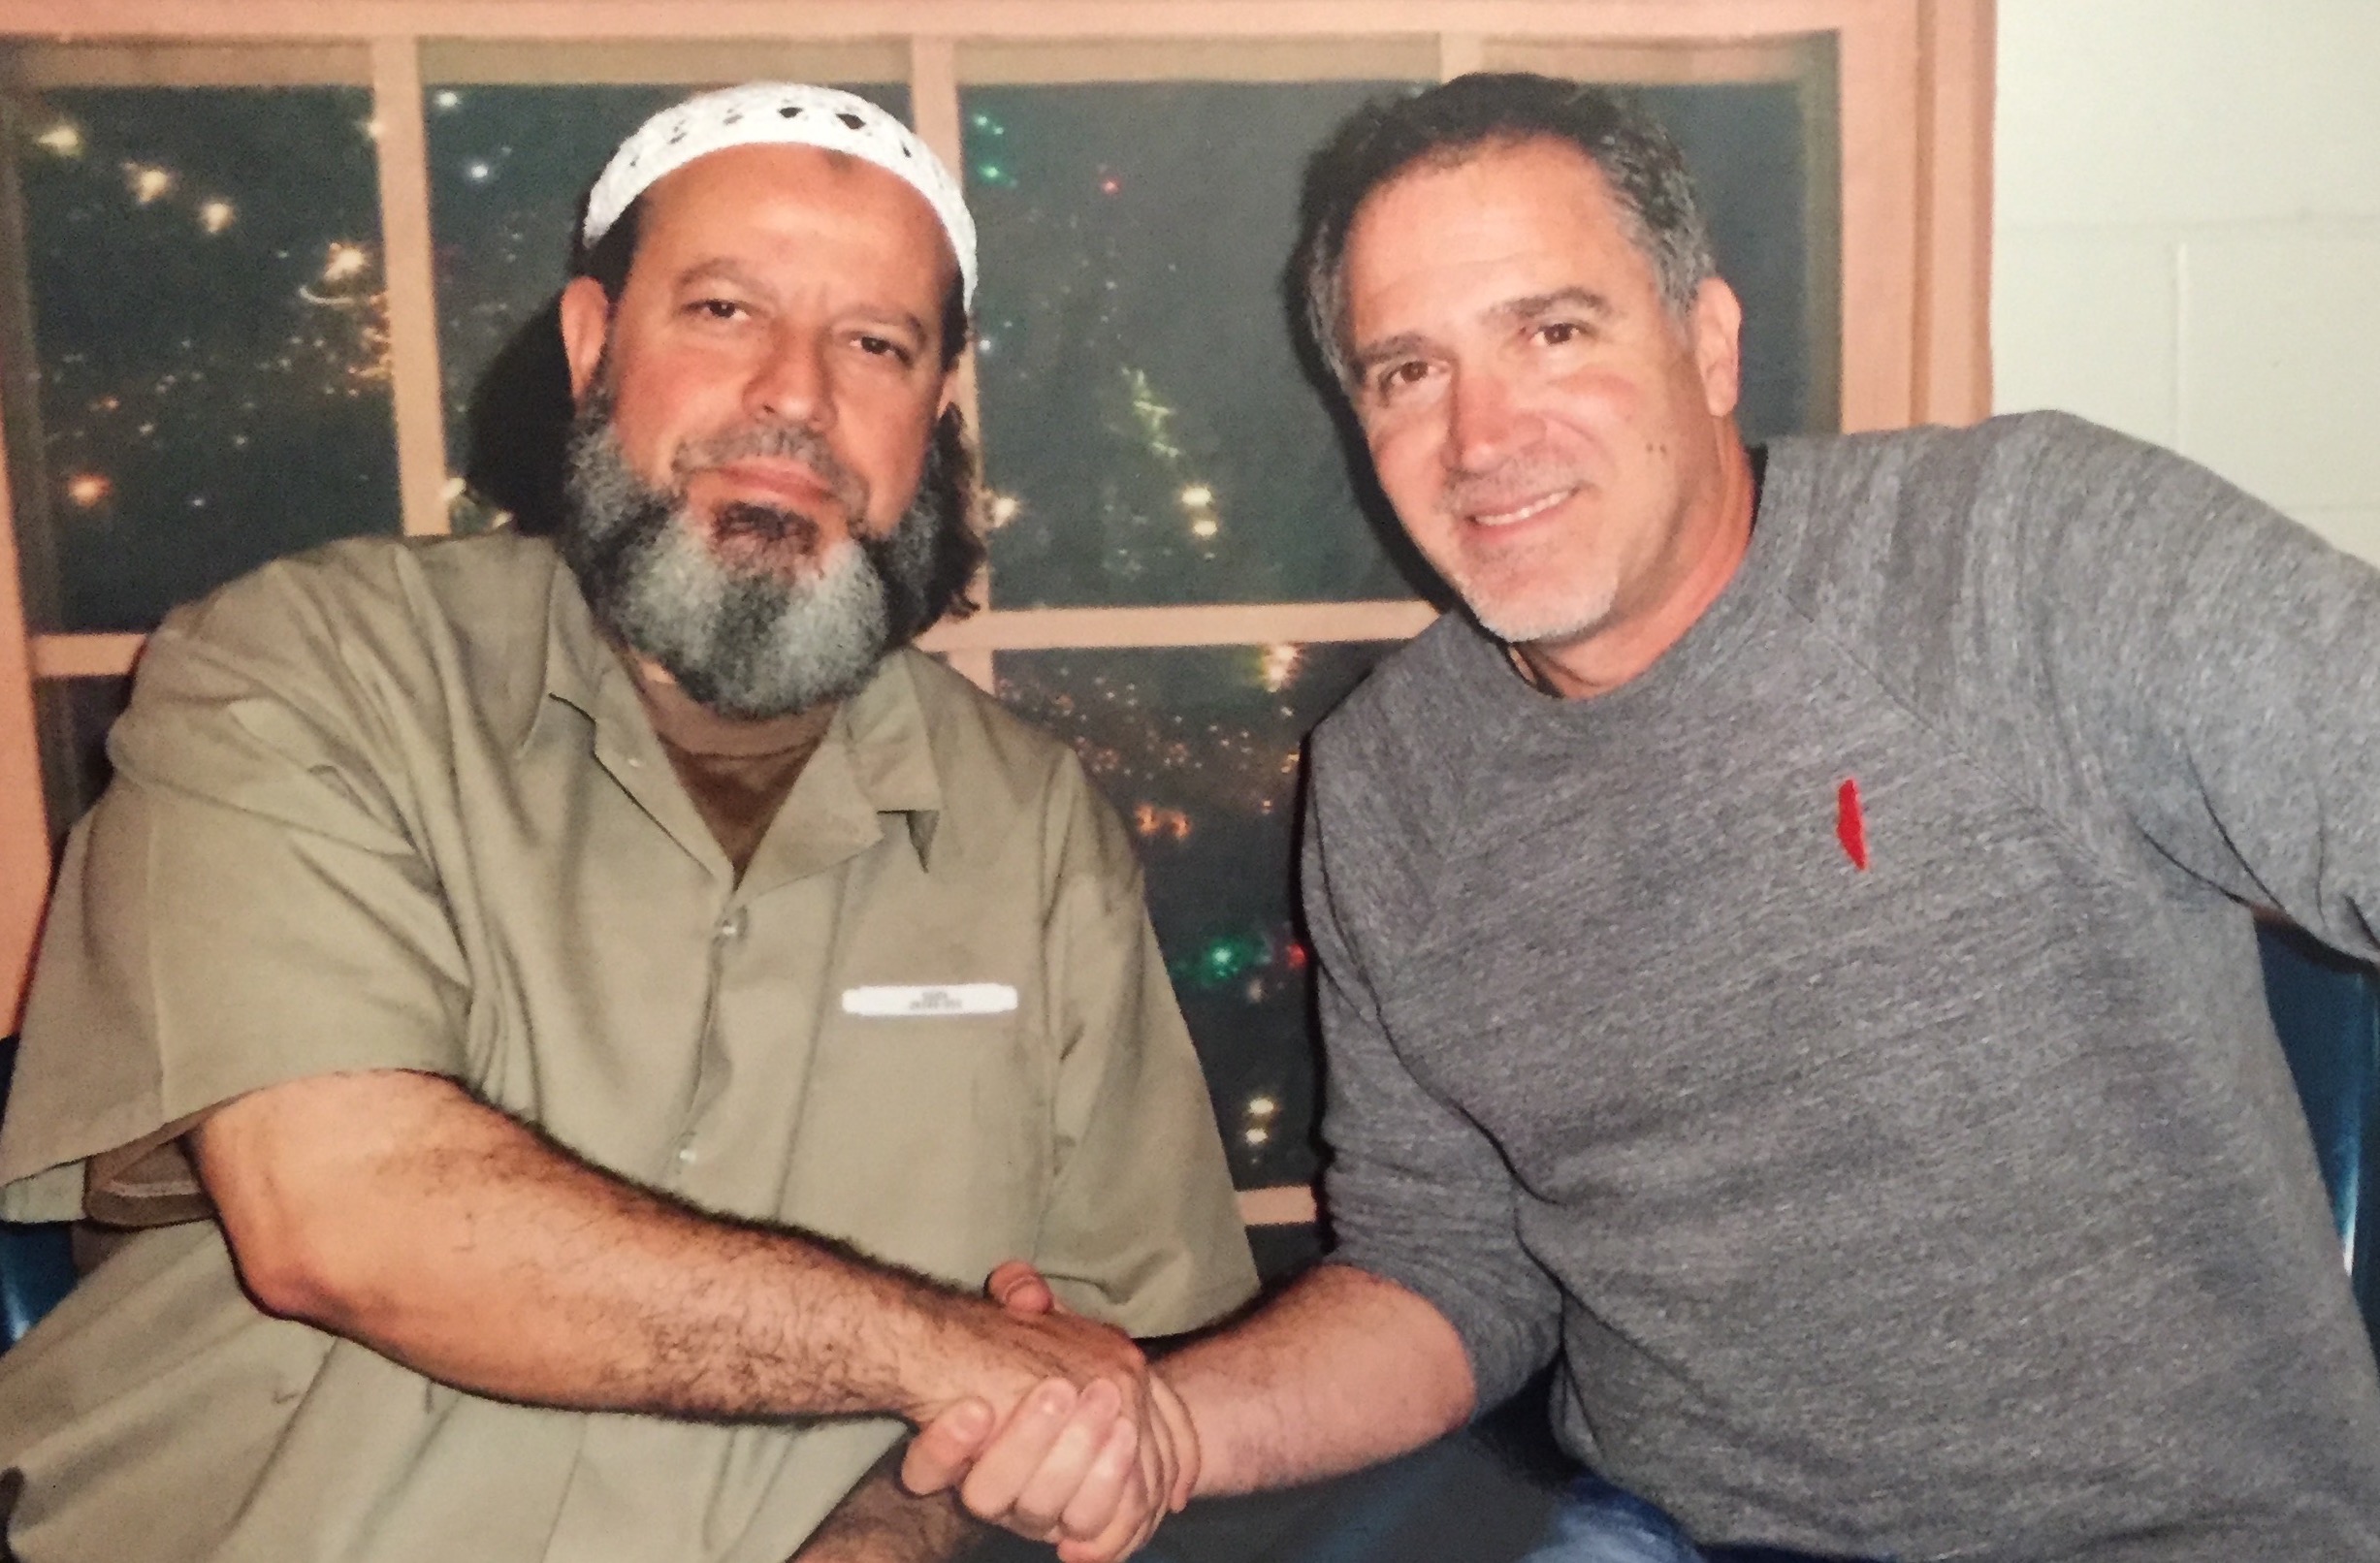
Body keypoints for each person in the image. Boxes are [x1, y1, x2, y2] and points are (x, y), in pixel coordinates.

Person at [906, 72, 2380, 1562]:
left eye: (1553, 332)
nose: (1482, 435)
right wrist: (1169, 1428)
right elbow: (1443, 1270)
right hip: (1666, 1534)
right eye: (1409, 370)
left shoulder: (2016, 556)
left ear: (1709, 343)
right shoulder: (1388, 782)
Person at [0, 82, 1257, 1563]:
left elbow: (1101, 1360)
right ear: (593, 343)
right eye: (724, 310)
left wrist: (884, 1535)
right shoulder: (307, 667)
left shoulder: (1035, 832)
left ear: (931, 415)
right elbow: (346, 1216)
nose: (796, 395)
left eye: (875, 343)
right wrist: (951, 1353)